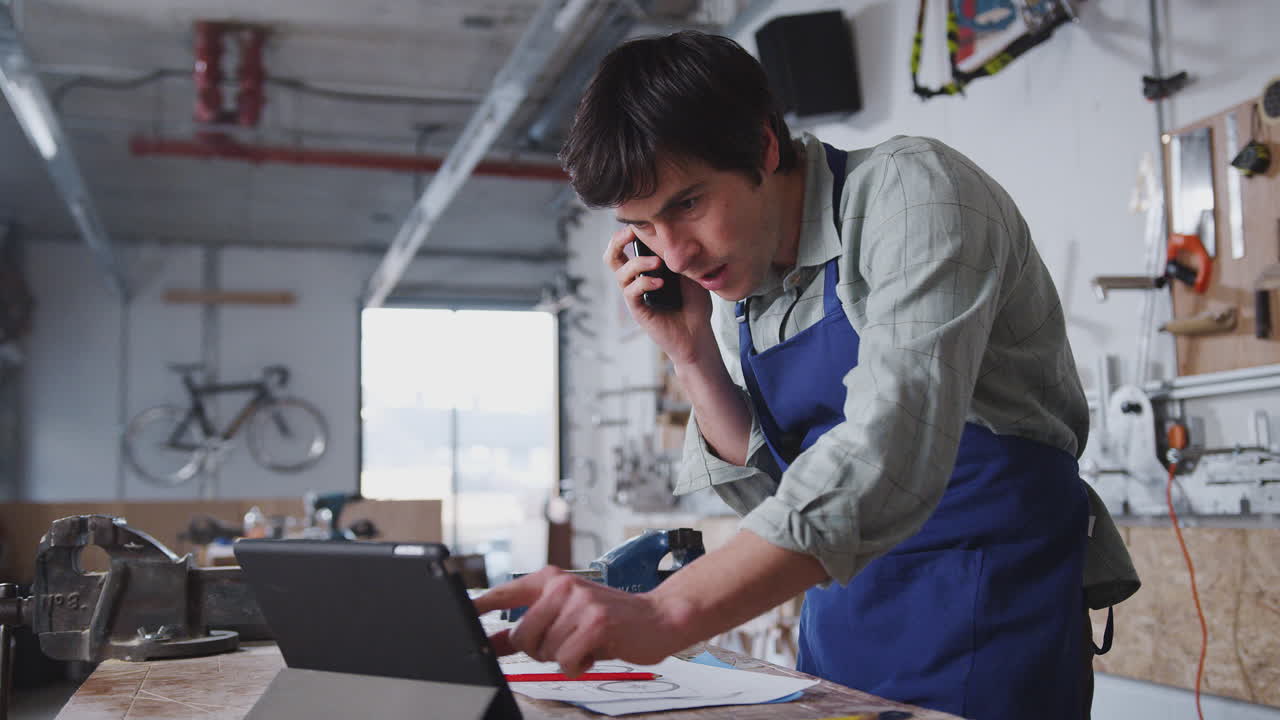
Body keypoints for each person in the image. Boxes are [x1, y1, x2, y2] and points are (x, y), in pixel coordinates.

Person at [474, 30, 1138, 719]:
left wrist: (667, 612)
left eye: (687, 204)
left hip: (988, 611)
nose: (674, 254)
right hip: (845, 625)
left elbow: (887, 455)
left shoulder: (912, 195)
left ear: (764, 147)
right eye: (643, 224)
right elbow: (778, 498)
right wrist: (691, 351)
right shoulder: (753, 280)